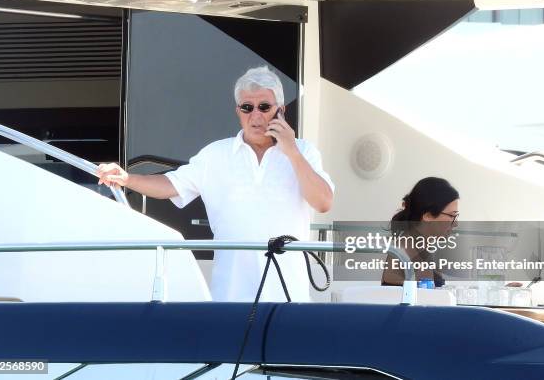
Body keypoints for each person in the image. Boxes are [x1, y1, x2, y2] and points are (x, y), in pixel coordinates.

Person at [96, 66, 334, 302]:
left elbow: (323, 202)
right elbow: (171, 185)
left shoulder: (304, 152)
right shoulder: (216, 155)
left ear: (280, 111)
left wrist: (291, 152)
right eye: (247, 107)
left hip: (290, 296)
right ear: (238, 111)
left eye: (264, 107)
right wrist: (127, 178)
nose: (256, 115)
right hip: (231, 298)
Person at [381, 177, 459, 287]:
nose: (455, 223)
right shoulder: (407, 249)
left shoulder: (421, 246)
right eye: (452, 215)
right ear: (427, 216)